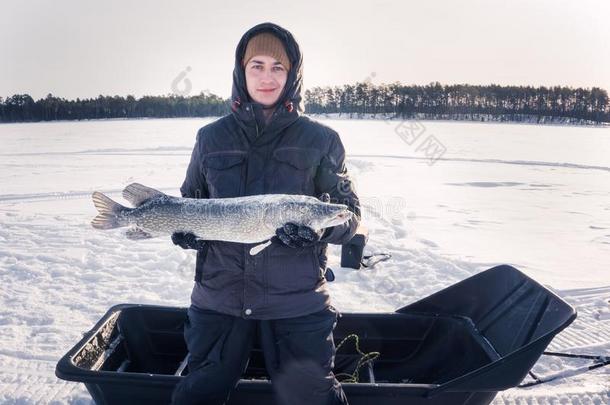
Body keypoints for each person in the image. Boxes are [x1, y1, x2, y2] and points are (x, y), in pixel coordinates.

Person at [170, 22, 360, 405]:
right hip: (218, 298)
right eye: (256, 65)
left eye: (278, 67)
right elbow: (189, 201)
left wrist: (318, 233)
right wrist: (183, 230)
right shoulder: (211, 137)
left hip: (297, 302)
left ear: (293, 75)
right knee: (200, 393)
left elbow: (351, 216)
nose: (267, 77)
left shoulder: (321, 140)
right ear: (241, 71)